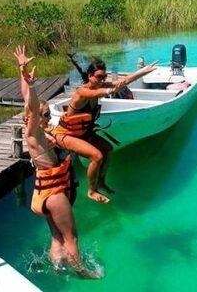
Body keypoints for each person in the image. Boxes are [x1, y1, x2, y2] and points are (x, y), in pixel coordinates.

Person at [14, 45, 100, 279]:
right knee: (71, 237)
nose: (49, 117)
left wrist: (22, 71)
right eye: (45, 115)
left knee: (56, 237)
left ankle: (57, 268)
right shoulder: (35, 133)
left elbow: (26, 102)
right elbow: (31, 108)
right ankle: (82, 272)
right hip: (53, 193)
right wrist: (32, 86)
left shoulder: (37, 133)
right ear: (34, 118)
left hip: (43, 191)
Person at [54, 56, 157, 203]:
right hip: (67, 134)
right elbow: (97, 93)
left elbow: (124, 81)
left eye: (104, 77)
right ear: (90, 76)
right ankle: (91, 191)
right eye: (99, 77)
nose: (102, 80)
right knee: (97, 156)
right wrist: (110, 89)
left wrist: (143, 72)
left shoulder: (99, 86)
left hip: (84, 133)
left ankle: (101, 182)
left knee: (108, 149)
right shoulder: (82, 92)